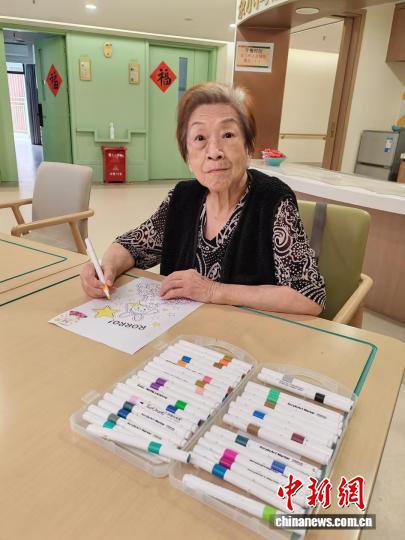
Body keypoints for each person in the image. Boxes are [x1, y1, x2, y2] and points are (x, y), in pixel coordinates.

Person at [81, 82, 325, 316]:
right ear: (188, 158)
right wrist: (107, 267)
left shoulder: (274, 201)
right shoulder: (182, 197)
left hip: (246, 336)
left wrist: (212, 291)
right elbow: (133, 245)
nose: (214, 152)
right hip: (182, 334)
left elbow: (309, 296)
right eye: (200, 138)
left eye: (228, 134)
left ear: (248, 148)